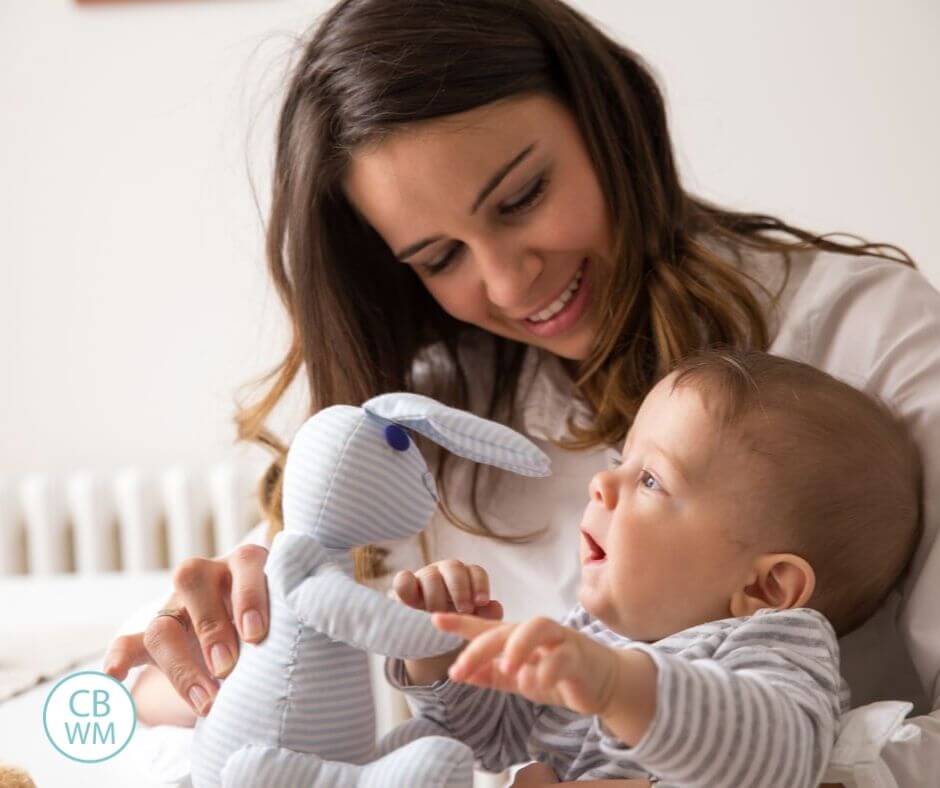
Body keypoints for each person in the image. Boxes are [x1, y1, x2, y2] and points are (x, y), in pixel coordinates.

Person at [103, 1, 940, 785]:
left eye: (521, 197)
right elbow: (126, 698)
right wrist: (230, 645)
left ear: (605, 118)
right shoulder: (417, 421)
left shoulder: (870, 333)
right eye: (438, 258)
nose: (506, 285)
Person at [386, 349, 921, 786]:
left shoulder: (772, 643)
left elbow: (781, 759)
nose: (601, 484)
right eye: (622, 462)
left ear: (765, 586)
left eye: (651, 481)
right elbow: (492, 740)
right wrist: (438, 656)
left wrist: (621, 686)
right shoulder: (594, 635)